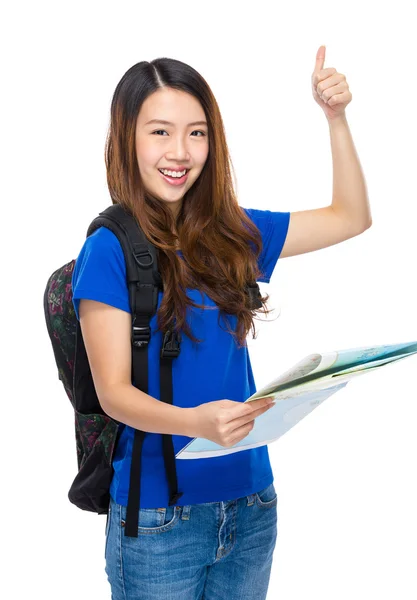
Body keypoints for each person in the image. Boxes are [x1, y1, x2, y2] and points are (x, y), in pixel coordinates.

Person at [72, 50, 370, 599]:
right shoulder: (109, 251)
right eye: (160, 132)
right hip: (159, 518)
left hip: (252, 505)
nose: (180, 153)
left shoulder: (231, 232)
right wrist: (195, 423)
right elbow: (113, 394)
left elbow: (351, 216)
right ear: (127, 138)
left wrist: (336, 119)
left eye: (197, 133)